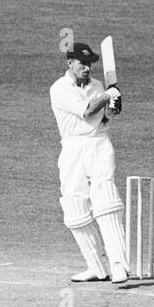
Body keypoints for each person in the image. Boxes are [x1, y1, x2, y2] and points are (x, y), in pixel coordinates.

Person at [49, 42, 127, 283]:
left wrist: (114, 108)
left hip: (98, 144)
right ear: (69, 63)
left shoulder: (97, 85)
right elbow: (88, 111)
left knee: (106, 200)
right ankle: (96, 267)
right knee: (75, 207)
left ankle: (119, 264)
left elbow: (103, 119)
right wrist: (108, 96)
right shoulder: (59, 88)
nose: (87, 67)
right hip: (72, 148)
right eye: (82, 63)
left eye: (90, 63)